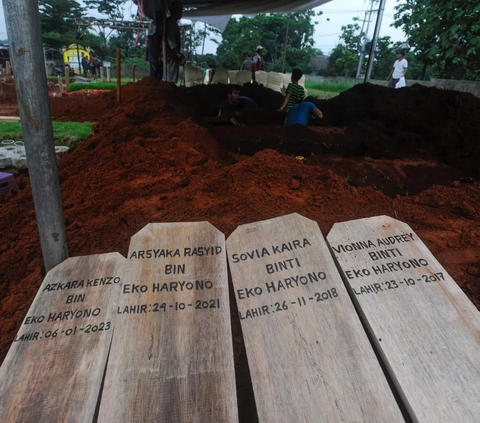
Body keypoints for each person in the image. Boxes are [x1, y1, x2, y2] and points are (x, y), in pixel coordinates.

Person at [162, 1, 185, 83]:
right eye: (180, 10)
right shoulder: (172, 23)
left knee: (169, 77)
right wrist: (177, 52)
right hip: (171, 54)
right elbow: (170, 39)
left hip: (168, 54)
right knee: (171, 79)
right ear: (174, 11)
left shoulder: (170, 21)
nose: (181, 13)